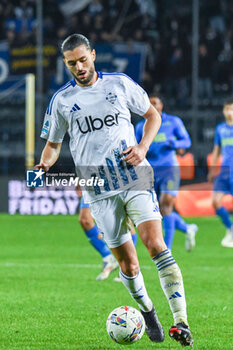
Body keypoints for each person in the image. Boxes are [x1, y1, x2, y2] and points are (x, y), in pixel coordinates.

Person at [35, 34, 193, 346]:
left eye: (83, 59)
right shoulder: (62, 101)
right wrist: (43, 165)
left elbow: (152, 115)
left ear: (92, 55)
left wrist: (144, 146)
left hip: (133, 177)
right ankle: (148, 312)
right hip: (97, 189)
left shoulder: (119, 83)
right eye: (72, 63)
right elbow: (52, 146)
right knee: (128, 264)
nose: (79, 67)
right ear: (66, 64)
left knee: (155, 245)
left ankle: (181, 321)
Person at [135, 95, 198, 251]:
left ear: (161, 104)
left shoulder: (173, 122)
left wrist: (174, 143)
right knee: (159, 210)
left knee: (166, 205)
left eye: (155, 102)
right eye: (149, 103)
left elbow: (186, 141)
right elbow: (136, 148)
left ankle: (166, 249)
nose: (153, 105)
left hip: (169, 169)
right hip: (149, 171)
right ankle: (187, 228)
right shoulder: (140, 126)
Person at [76, 186, 137, 281]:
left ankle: (129, 266)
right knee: (85, 220)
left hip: (115, 178)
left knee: (124, 221)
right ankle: (108, 258)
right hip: (92, 180)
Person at [208, 100, 233, 248]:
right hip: (224, 172)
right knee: (215, 202)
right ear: (224, 111)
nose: (229, 112)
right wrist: (212, 169)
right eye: (227, 109)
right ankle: (230, 229)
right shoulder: (220, 129)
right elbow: (216, 149)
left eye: (232, 109)